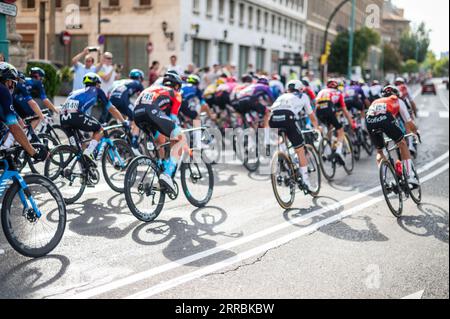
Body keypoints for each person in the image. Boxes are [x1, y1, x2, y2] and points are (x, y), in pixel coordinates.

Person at [133, 72, 187, 193]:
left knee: (160, 140)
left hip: (137, 114)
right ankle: (167, 175)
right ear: (177, 86)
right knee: (179, 138)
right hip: (150, 111)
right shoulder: (176, 94)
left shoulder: (154, 88)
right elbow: (173, 118)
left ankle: (160, 165)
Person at [60, 73, 127, 164]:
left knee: (80, 146)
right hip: (75, 116)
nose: (99, 86)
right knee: (100, 129)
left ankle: (84, 169)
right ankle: (89, 152)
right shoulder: (97, 90)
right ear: (96, 83)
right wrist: (123, 121)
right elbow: (112, 109)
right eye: (99, 84)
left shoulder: (75, 92)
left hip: (63, 119)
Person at [270, 80, 322, 191]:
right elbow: (311, 116)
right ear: (300, 89)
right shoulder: (303, 96)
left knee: (284, 137)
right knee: (300, 150)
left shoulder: (282, 96)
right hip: (287, 117)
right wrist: (317, 128)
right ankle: (306, 181)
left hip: (272, 118)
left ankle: (284, 158)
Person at [366, 85, 419, 185]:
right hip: (385, 120)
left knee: (380, 151)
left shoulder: (376, 101)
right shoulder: (397, 100)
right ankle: (410, 176)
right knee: (402, 143)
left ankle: (384, 179)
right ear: (396, 94)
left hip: (369, 121)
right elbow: (408, 122)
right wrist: (416, 131)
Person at [0, 62, 48, 161]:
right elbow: (14, 127)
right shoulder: (3, 91)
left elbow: (14, 120)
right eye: (13, 82)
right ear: (6, 80)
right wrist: (33, 153)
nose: (13, 86)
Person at [315, 79, 356, 164]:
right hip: (329, 108)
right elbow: (345, 111)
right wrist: (351, 123)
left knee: (329, 127)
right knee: (340, 130)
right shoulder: (338, 93)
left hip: (318, 111)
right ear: (337, 86)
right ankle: (338, 151)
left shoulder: (322, 91)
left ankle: (327, 150)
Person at [109, 69, 145, 155]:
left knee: (125, 119)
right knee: (136, 118)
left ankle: (123, 134)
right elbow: (143, 97)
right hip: (122, 99)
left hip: (111, 98)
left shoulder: (123, 81)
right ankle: (134, 144)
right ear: (140, 78)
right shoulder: (138, 83)